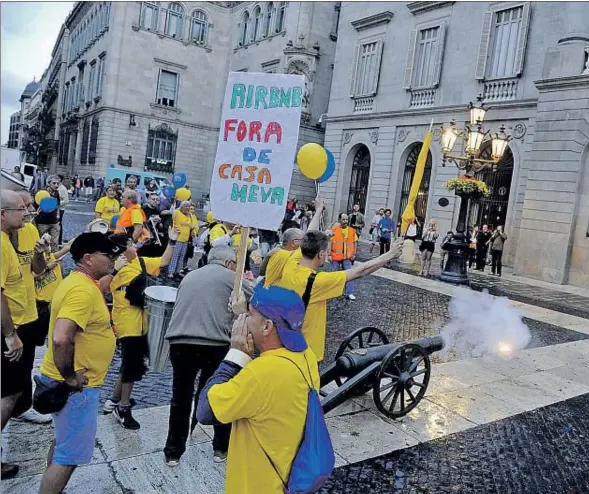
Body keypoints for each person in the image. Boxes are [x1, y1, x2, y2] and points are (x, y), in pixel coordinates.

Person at [196, 285, 320, 494]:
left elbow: (205, 411)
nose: (242, 321)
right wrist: (248, 313)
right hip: (286, 479)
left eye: (249, 314)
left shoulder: (260, 375)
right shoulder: (306, 356)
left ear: (267, 327)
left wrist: (235, 355)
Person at [37, 232, 124, 493]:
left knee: (64, 445)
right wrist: (71, 377)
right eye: (108, 255)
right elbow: (62, 338)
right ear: (87, 258)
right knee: (69, 457)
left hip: (67, 384)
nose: (112, 260)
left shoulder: (79, 281)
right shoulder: (82, 290)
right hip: (76, 388)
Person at [163, 246, 254, 466]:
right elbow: (257, 300)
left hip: (179, 341)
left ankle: (173, 452)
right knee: (219, 394)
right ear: (229, 264)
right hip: (214, 343)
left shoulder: (190, 275)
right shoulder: (233, 277)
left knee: (180, 398)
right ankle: (220, 448)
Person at [277, 230, 404, 362]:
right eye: (326, 251)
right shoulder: (318, 281)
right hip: (307, 352)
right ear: (320, 254)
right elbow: (360, 271)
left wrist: (323, 235)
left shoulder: (290, 265)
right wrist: (390, 254)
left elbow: (309, 237)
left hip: (285, 342)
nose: (327, 254)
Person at [101, 228, 179, 429]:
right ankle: (124, 407)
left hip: (143, 322)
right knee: (132, 366)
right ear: (119, 250)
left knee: (130, 364)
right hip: (127, 325)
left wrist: (171, 242)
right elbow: (99, 287)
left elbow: (163, 262)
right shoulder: (112, 269)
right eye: (129, 244)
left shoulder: (141, 262)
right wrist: (114, 269)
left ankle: (114, 399)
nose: (134, 246)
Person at [1, 190, 48, 478]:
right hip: (12, 325)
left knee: (17, 385)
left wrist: (41, 253)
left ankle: (22, 409)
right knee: (9, 392)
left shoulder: (27, 232)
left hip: (28, 319)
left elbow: (38, 270)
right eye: (22, 209)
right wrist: (9, 334)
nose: (29, 213)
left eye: (29, 208)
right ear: (3, 214)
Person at [328, 213, 358, 300]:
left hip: (347, 257)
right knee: (333, 274)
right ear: (340, 220)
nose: (345, 221)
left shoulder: (352, 231)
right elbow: (329, 242)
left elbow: (355, 243)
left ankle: (350, 292)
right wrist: (329, 254)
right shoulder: (334, 230)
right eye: (343, 219)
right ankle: (330, 290)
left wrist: (354, 254)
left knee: (350, 274)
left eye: (346, 219)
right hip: (335, 256)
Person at [168, 201, 198, 278]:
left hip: (185, 240)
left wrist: (194, 233)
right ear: (181, 207)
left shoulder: (190, 216)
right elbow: (172, 211)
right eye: (185, 206)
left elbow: (193, 226)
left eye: (188, 206)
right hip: (177, 239)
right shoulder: (177, 213)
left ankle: (178, 271)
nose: (187, 208)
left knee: (182, 256)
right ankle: (171, 271)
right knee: (175, 255)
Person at [35, 175, 62, 251]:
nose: (56, 185)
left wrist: (58, 214)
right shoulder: (42, 193)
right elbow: (36, 206)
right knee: (41, 241)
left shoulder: (56, 193)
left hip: (54, 221)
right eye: (54, 183)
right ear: (48, 183)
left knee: (54, 242)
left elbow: (58, 204)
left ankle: (54, 257)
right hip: (43, 222)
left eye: (58, 183)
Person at [57, 175, 69, 246]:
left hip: (61, 209)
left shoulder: (63, 189)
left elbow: (66, 200)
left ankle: (59, 241)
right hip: (55, 208)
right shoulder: (56, 187)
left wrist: (57, 204)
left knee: (59, 224)